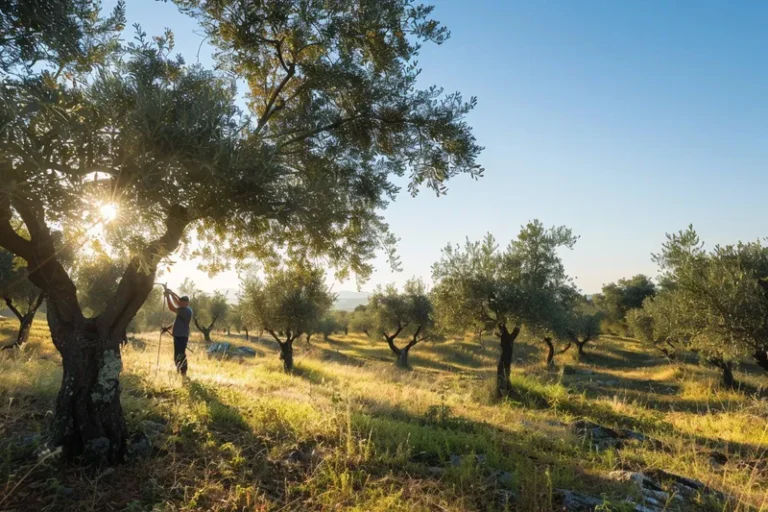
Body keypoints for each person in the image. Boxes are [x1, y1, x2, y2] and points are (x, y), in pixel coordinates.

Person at [165, 289, 193, 376]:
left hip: (182, 336)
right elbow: (178, 301)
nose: (179, 304)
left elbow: (171, 307)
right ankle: (179, 370)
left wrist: (168, 297)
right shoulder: (184, 307)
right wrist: (172, 293)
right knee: (177, 355)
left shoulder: (185, 311)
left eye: (181, 303)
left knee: (181, 354)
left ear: (186, 303)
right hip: (178, 335)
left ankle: (183, 372)